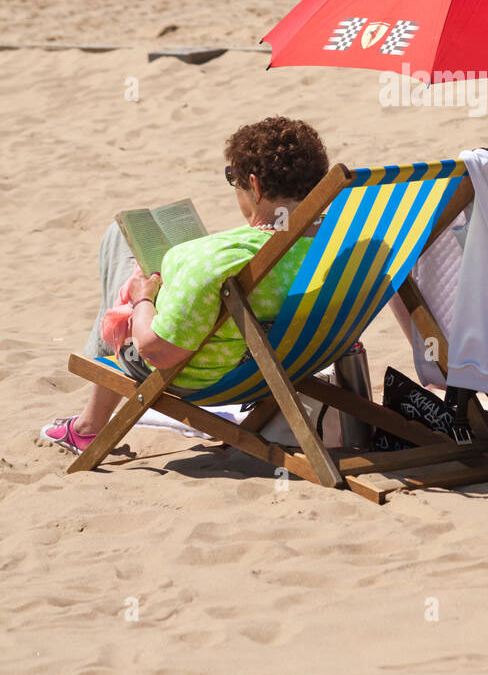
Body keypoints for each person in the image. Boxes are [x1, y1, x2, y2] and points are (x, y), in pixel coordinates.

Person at [42, 116, 329, 456]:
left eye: (232, 179)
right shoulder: (343, 242)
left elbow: (156, 352)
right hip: (293, 359)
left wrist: (141, 300)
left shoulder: (214, 260)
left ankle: (88, 425)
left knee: (120, 241)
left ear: (256, 186)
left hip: (204, 376)